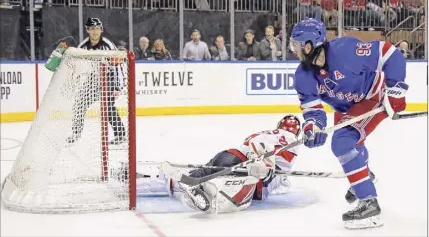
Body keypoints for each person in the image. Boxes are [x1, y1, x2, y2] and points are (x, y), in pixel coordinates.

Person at [289, 18, 408, 229]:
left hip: (373, 97)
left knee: (343, 142)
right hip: (347, 108)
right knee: (353, 143)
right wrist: (312, 127)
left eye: (296, 45)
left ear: (308, 45)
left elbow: (390, 53)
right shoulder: (303, 75)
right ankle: (363, 173)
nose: (293, 50)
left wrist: (395, 90)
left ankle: (369, 204)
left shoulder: (346, 49)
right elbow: (313, 109)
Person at [137, 115, 302, 213]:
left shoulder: (263, 133)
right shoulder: (292, 141)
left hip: (228, 155)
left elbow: (257, 147)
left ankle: (139, 181)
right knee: (200, 188)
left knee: (187, 179)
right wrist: (265, 166)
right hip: (242, 168)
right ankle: (190, 187)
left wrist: (268, 169)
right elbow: (267, 161)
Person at [66, 18, 127, 146]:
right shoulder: (83, 46)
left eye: (98, 28)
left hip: (109, 78)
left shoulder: (108, 45)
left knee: (107, 107)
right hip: (93, 79)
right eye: (92, 28)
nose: (95, 31)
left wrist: (118, 86)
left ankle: (120, 134)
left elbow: (117, 66)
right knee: (79, 104)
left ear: (101, 29)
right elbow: (76, 63)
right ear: (88, 30)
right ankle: (76, 133)